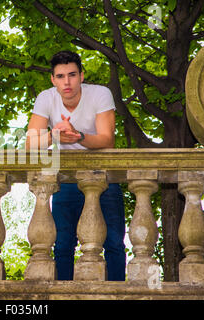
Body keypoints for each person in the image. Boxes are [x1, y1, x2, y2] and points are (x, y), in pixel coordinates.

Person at [26, 50, 126, 281]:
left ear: (82, 75)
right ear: (53, 80)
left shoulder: (101, 94)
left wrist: (78, 136)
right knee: (63, 243)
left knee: (113, 241)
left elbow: (107, 140)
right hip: (67, 177)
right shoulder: (46, 98)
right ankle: (63, 293)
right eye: (60, 76)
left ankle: (117, 293)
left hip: (103, 174)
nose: (67, 82)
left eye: (72, 75)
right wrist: (55, 135)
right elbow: (31, 144)